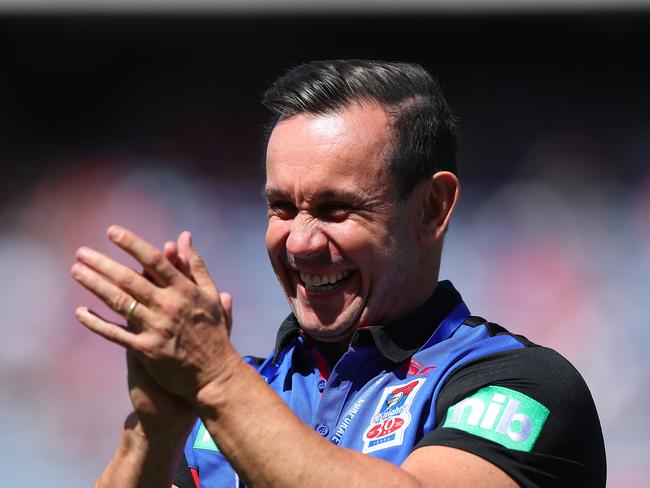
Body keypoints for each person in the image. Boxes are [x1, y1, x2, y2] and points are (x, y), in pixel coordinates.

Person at [71, 59, 606, 487]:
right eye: (281, 207)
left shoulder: (523, 387)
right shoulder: (234, 395)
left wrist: (215, 377)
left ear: (432, 208)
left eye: (335, 209)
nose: (300, 242)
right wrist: (154, 430)